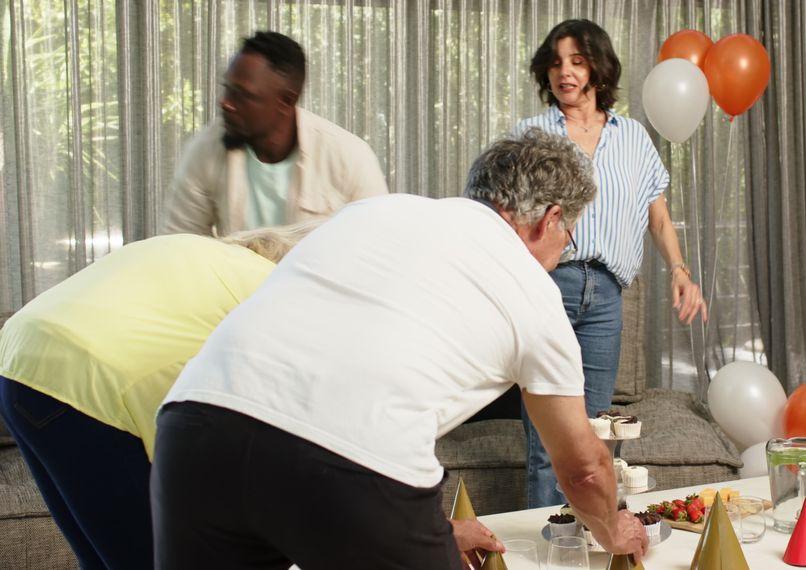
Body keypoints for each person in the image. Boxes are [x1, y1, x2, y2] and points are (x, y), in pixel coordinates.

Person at [150, 129, 649, 569]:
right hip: (348, 463)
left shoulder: (374, 212)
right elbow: (583, 467)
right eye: (570, 235)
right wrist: (612, 529)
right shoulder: (536, 294)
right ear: (549, 219)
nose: (565, 249)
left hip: (194, 428)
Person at [0, 222, 318, 570]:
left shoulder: (198, 252)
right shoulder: (272, 291)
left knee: (100, 556)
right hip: (87, 382)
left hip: (19, 358)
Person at [516, 19, 709, 508]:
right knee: (547, 440)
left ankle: (586, 537)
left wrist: (681, 273)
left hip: (606, 296)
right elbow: (504, 214)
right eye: (556, 62)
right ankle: (548, 544)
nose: (565, 72)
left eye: (577, 61)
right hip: (547, 289)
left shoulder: (634, 139)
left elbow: (658, 217)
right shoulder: (531, 136)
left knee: (595, 433)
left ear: (598, 69)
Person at [163, 30, 388, 236]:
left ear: (286, 101)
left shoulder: (349, 158)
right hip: (235, 281)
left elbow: (378, 246)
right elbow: (178, 241)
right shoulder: (205, 150)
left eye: (242, 95)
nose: (225, 103)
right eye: (228, 88)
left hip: (316, 281)